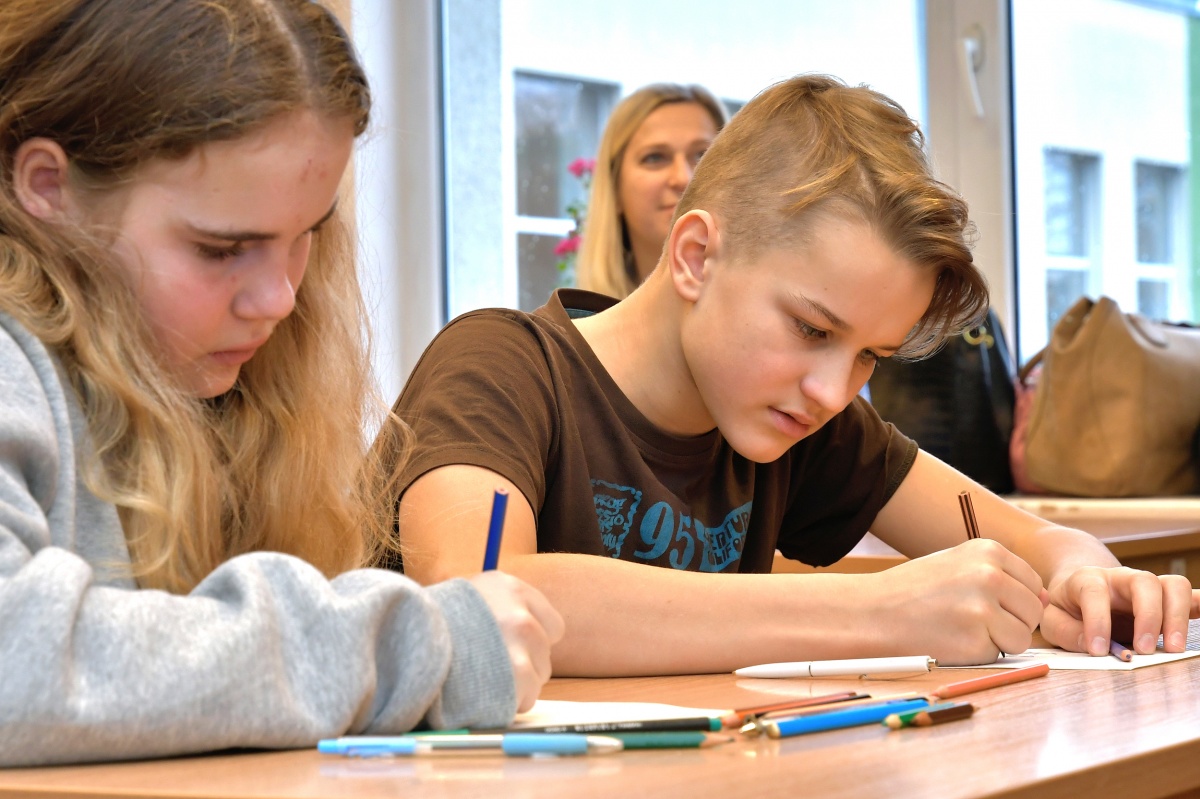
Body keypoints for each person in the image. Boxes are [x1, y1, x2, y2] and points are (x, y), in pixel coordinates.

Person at [389, 74, 1199, 678]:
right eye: (812, 329)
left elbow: (1034, 538)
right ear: (696, 256)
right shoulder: (498, 367)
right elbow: (476, 599)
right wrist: (878, 608)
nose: (833, 391)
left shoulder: (796, 416)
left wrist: (1085, 570)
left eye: (869, 356)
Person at [0, 0, 562, 768]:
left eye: (308, 235)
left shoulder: (214, 381)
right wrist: (417, 645)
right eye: (221, 248)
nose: (281, 299)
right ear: (48, 189)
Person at [575, 83, 727, 299]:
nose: (684, 178)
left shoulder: (766, 313)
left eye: (702, 155)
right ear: (614, 188)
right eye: (655, 157)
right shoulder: (576, 321)